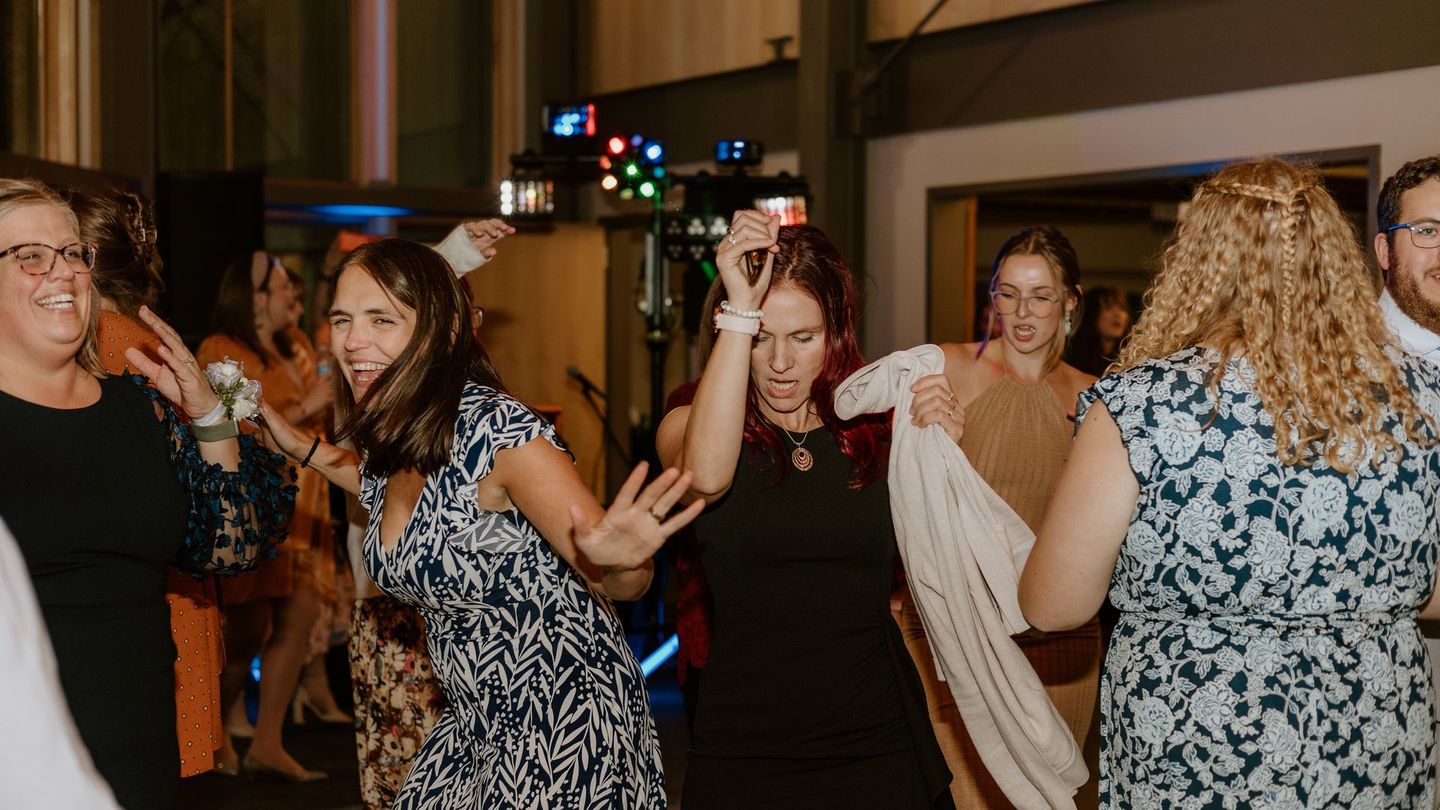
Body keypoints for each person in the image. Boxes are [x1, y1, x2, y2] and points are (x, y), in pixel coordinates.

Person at [1019, 157, 1440, 807]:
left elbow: (1054, 605)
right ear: (1335, 260)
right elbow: (1432, 592)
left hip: (1200, 758)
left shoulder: (1141, 406)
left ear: (1199, 260)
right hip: (1370, 756)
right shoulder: (1419, 397)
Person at [257, 237, 703, 808]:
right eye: (342, 319)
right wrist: (296, 443)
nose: (353, 341)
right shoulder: (401, 430)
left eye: (381, 320)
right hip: (473, 720)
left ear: (442, 333)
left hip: (563, 721)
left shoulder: (499, 430)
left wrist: (623, 561)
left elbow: (621, 579)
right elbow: (374, 480)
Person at [0, 178, 292, 809]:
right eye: (30, 256)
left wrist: (210, 419)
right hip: (21, 757)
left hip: (141, 749)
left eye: (74, 252)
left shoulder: (140, 407)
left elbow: (229, 551)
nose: (64, 272)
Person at [657, 213, 952, 809]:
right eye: (761, 337)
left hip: (875, 737)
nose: (781, 363)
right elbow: (708, 478)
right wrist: (740, 303)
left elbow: (946, 560)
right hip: (745, 743)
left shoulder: (875, 425)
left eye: (803, 337)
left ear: (836, 333)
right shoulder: (694, 418)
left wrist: (946, 445)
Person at [892, 224, 1098, 806]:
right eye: (1008, 293)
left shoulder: (1097, 398)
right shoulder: (944, 371)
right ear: (992, 298)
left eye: (1041, 295)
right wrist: (942, 448)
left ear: (1071, 302)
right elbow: (905, 505)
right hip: (958, 635)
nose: (1022, 311)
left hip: (1061, 645)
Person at [67, 185, 232, 779]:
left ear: (82, 260)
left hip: (137, 597)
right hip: (169, 585)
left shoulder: (102, 344)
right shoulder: (143, 338)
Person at [199, 250, 337, 781]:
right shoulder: (221, 350)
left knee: (300, 618)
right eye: (284, 289)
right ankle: (215, 736)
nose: (292, 299)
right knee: (249, 630)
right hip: (254, 509)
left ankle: (268, 741)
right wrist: (305, 410)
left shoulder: (296, 346)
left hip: (304, 508)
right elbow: (227, 427)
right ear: (256, 297)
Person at [1066, 285, 1131, 377]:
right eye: (1108, 307)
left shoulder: (1131, 359)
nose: (1118, 314)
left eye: (1123, 308)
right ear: (1092, 313)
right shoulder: (1071, 356)